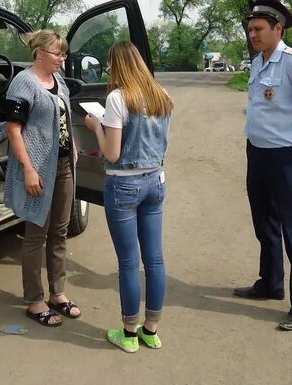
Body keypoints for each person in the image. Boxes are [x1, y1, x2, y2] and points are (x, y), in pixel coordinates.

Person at [234, 0, 292, 331]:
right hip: (257, 154)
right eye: (250, 29)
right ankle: (270, 283)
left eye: (259, 28)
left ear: (279, 28)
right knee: (265, 224)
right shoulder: (258, 62)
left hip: (285, 158)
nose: (252, 34)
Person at [84, 41, 172, 353]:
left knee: (128, 261)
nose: (108, 70)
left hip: (123, 185)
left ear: (118, 65)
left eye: (110, 64)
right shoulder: (161, 95)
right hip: (155, 181)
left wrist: (96, 127)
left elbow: (112, 152)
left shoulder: (117, 98)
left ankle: (130, 332)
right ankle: (152, 329)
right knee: (155, 258)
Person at [4, 29, 81, 327]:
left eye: (64, 53)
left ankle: (57, 294)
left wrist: (73, 145)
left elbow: (63, 117)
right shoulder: (23, 83)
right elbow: (13, 131)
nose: (62, 59)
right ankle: (34, 300)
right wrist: (28, 169)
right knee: (36, 234)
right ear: (39, 52)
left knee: (59, 232)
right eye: (57, 53)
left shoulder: (59, 81)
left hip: (63, 166)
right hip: (38, 168)